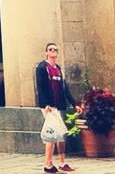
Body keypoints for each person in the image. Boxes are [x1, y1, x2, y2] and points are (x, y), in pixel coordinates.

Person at [35, 41, 77, 173]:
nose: (53, 51)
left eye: (55, 50)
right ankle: (48, 165)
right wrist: (46, 104)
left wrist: (74, 103)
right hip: (49, 107)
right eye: (50, 49)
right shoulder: (42, 67)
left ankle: (62, 162)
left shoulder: (58, 69)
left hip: (59, 105)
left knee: (60, 135)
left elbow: (65, 88)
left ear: (57, 53)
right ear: (46, 52)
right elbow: (40, 87)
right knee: (52, 134)